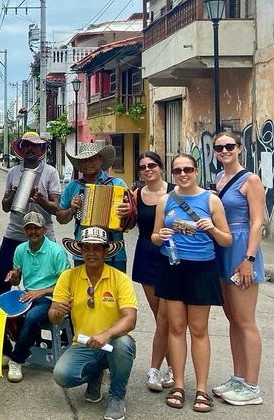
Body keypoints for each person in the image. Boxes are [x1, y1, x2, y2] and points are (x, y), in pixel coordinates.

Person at [151, 153, 232, 413]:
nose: (183, 174)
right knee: (175, 328)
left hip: (201, 268)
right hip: (172, 266)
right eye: (177, 171)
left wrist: (212, 229)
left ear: (196, 171)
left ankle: (201, 389)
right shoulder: (166, 200)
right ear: (172, 174)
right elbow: (154, 236)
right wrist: (160, 235)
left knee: (198, 330)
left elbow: (226, 240)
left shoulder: (211, 200)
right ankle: (178, 385)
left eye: (187, 169)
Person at [50, 227, 137, 420]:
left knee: (124, 344)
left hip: (112, 343)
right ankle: (96, 374)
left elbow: (130, 319)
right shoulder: (68, 276)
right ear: (80, 250)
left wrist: (106, 334)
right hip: (82, 343)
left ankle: (116, 396)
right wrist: (58, 312)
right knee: (62, 375)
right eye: (86, 247)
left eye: (97, 248)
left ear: (106, 251)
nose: (91, 253)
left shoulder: (120, 279)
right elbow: (53, 316)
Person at [211, 132, 265, 406]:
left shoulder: (250, 180)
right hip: (223, 248)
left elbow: (257, 222)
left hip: (242, 248)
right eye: (219, 147)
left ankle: (252, 387)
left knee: (246, 321)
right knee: (232, 319)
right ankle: (239, 377)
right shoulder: (219, 180)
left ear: (239, 148)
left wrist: (249, 259)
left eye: (229, 146)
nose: (224, 150)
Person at [122, 152, 175, 391]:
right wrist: (124, 215)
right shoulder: (136, 194)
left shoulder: (175, 190)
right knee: (159, 317)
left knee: (167, 318)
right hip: (145, 254)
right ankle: (170, 367)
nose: (147, 170)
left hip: (172, 255)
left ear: (160, 167)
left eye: (151, 165)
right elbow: (130, 225)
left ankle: (162, 369)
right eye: (142, 167)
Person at [0, 131, 61, 300]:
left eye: (34, 145)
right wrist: (13, 195)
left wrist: (40, 200)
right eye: (26, 145)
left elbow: (56, 207)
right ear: (21, 149)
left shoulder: (50, 172)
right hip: (15, 233)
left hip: (43, 235)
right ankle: (1, 320)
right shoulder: (13, 172)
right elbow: (5, 207)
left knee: (45, 282)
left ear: (40, 149)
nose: (30, 148)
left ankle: (36, 318)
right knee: (2, 280)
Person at [2, 211, 69, 382]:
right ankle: (10, 351)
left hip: (50, 298)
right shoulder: (20, 250)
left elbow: (67, 286)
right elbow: (17, 279)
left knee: (32, 317)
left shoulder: (56, 252)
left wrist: (42, 291)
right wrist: (14, 276)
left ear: (44, 229)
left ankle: (16, 359)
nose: (33, 232)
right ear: (24, 231)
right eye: (29, 228)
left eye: (36, 228)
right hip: (28, 295)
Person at [56, 143, 130, 272]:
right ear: (79, 164)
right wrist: (72, 210)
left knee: (114, 291)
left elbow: (131, 223)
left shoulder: (118, 184)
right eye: (84, 160)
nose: (88, 163)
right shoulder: (72, 186)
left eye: (92, 159)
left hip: (113, 251)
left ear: (101, 160)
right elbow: (60, 218)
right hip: (83, 251)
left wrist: (128, 213)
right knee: (83, 290)